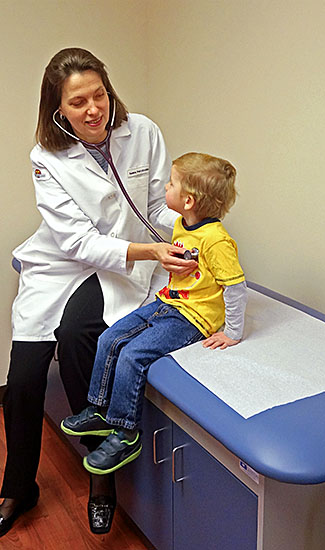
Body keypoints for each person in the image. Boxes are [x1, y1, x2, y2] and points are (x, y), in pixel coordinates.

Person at [0, 48, 198, 546]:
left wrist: (191, 233)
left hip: (122, 262)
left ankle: (101, 479)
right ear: (58, 110)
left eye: (100, 95)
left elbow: (160, 202)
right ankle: (17, 492)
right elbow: (78, 242)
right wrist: (152, 250)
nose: (94, 109)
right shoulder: (46, 158)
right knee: (24, 379)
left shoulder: (143, 131)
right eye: (79, 102)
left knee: (81, 340)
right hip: (65, 261)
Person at [61, 152, 247, 475]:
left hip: (194, 317)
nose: (165, 187)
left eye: (171, 184)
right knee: (109, 337)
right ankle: (100, 410)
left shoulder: (217, 241)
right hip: (169, 302)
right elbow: (162, 234)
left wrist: (233, 331)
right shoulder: (182, 224)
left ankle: (126, 433)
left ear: (188, 200)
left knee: (133, 355)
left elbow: (236, 287)